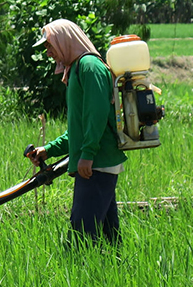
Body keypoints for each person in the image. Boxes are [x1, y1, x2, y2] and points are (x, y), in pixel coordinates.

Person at [26, 19, 127, 247]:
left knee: (81, 239)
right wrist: (48, 150)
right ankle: (115, 276)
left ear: (65, 41)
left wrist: (88, 154)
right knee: (108, 240)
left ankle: (82, 277)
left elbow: (97, 115)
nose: (49, 53)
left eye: (50, 46)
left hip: (96, 164)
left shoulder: (89, 66)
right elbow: (78, 130)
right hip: (95, 163)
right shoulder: (77, 69)